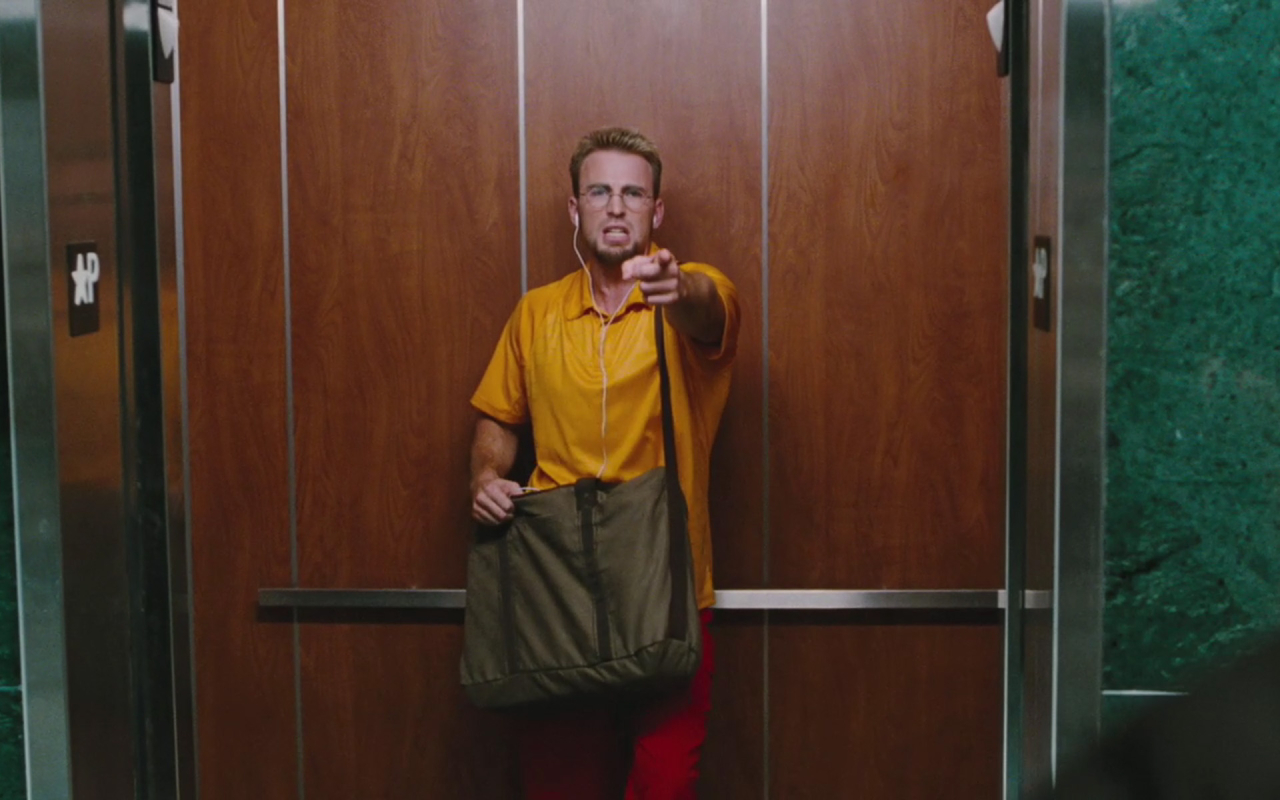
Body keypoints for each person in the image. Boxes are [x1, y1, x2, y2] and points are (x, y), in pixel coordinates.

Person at [468, 127, 741, 799]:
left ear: (657, 211)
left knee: (664, 784)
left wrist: (677, 289)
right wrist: (485, 476)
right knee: (561, 785)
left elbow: (709, 314)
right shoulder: (536, 313)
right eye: (599, 191)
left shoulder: (691, 292)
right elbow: (498, 418)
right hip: (559, 589)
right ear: (575, 208)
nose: (616, 207)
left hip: (668, 587)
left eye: (632, 193)